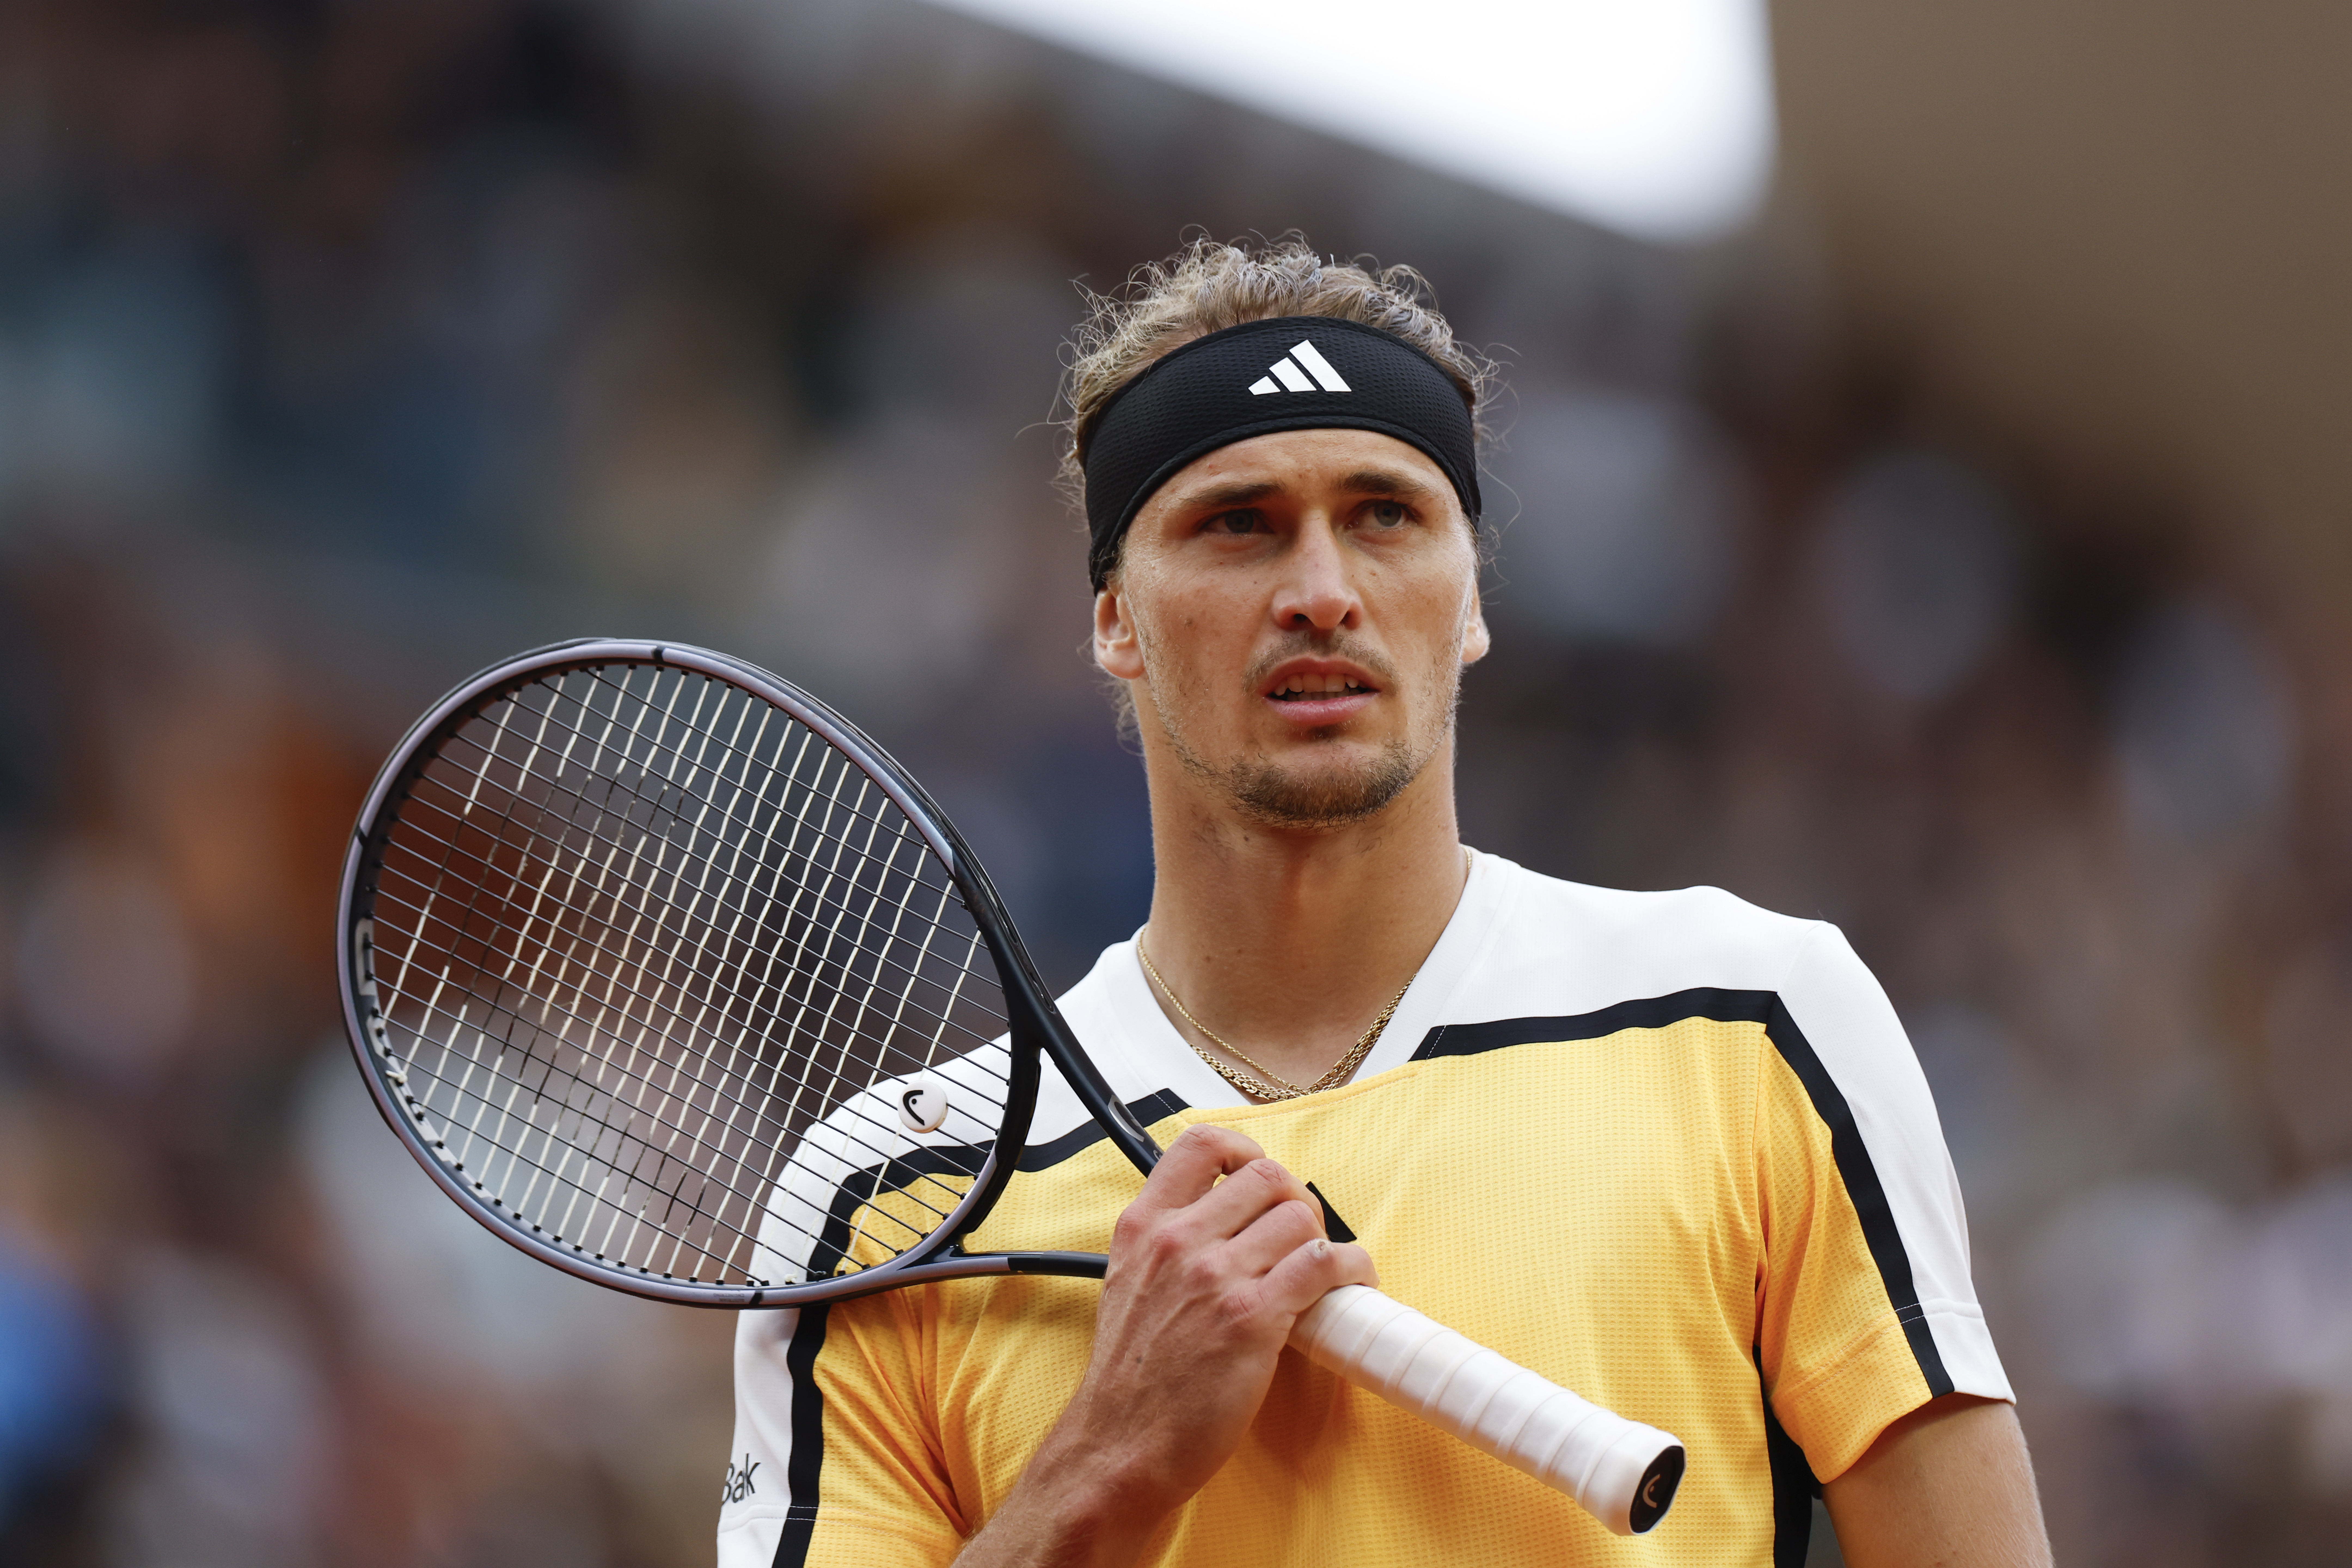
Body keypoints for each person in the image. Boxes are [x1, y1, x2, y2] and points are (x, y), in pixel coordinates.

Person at [718, 237, 2051, 1567]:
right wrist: (1103, 1466)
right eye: (1238, 524)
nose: (1322, 593)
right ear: (1116, 620)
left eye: (1385, 516)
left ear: (1469, 600)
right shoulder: (889, 1203)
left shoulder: (1754, 1024)